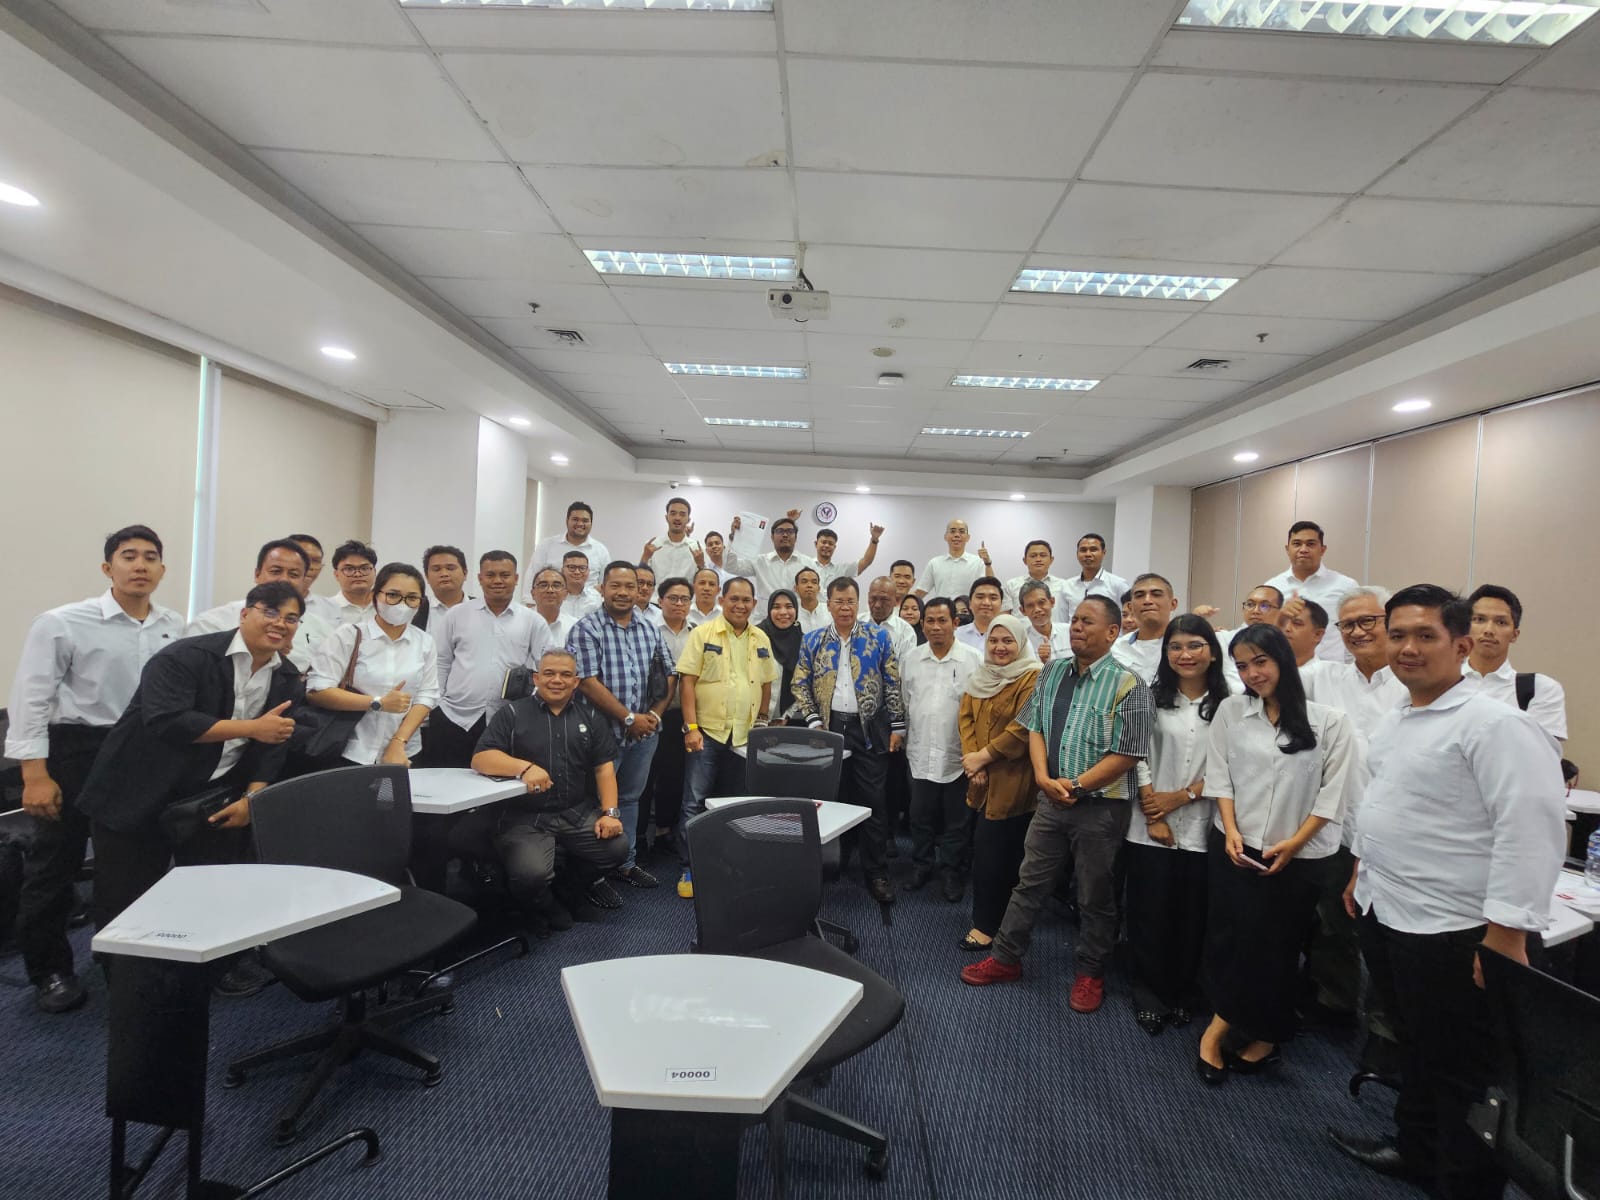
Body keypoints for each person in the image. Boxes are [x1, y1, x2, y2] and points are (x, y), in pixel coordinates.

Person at [1328, 585, 1566, 1198]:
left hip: (1456, 930)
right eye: (1398, 635)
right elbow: (1387, 804)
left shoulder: (1497, 725)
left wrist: (1506, 933)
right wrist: (1361, 871)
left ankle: (1462, 1184)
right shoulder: (1399, 717)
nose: (1407, 648)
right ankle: (1415, 1150)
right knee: (1415, 1048)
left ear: (1461, 645)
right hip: (1389, 911)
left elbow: (1530, 829)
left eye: (1425, 636)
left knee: (1467, 1072)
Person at [6, 525, 186, 1013]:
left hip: (143, 751)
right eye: (129, 556)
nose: (140, 565)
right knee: (56, 862)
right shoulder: (62, 622)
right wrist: (34, 774)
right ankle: (50, 970)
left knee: (131, 865)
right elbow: (31, 699)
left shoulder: (174, 624)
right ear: (108, 567)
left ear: (162, 569)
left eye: (150, 557)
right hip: (77, 750)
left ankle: (124, 959)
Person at [76, 582, 304, 935]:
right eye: (270, 612)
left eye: (291, 618)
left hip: (206, 798)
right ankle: (120, 967)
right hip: (136, 792)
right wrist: (253, 727)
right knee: (126, 903)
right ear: (244, 614)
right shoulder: (185, 656)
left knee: (207, 898)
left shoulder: (287, 676)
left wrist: (252, 799)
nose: (280, 623)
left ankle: (195, 964)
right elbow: (168, 720)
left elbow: (274, 744)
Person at [959, 597, 1151, 1015]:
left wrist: (1078, 785)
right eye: (1075, 619)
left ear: (1113, 632)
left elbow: (1129, 752)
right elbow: (1035, 726)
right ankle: (1006, 958)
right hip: (1051, 799)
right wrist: (1044, 778)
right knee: (1029, 883)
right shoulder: (1053, 671)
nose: (1077, 627)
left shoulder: (1129, 685)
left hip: (1100, 807)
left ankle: (1090, 972)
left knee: (1094, 893)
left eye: (1088, 621)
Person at [1195, 624, 1356, 1084]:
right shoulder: (1232, 710)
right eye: (1242, 666)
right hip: (1234, 845)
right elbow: (1220, 776)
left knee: (1276, 948)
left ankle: (1253, 1035)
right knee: (1230, 939)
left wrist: (1296, 842)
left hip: (1299, 857)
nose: (1252, 674)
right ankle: (1230, 1028)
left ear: (1283, 659)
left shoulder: (1330, 721)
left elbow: (1333, 794)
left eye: (1260, 662)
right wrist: (1229, 830)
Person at [463, 649, 627, 936]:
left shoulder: (591, 716)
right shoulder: (512, 713)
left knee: (618, 848)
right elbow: (481, 758)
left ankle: (567, 890)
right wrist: (524, 768)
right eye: (549, 673)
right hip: (524, 817)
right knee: (530, 874)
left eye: (565, 674)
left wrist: (610, 813)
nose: (557, 680)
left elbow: (604, 769)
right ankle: (544, 905)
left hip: (575, 813)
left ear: (576, 682)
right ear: (536, 678)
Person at [1302, 585, 1406, 1032]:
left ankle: (1390, 1029)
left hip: (1396, 834)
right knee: (1331, 923)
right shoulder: (1324, 678)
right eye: (1348, 625)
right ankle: (1335, 1002)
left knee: (1391, 933)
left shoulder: (1411, 682)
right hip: (1337, 825)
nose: (1358, 632)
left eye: (1369, 621)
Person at [1124, 616, 1232, 1035]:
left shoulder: (1231, 703)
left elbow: (1232, 764)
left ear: (1212, 652)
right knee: (1149, 910)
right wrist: (1155, 813)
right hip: (1148, 823)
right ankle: (1149, 993)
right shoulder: (1149, 698)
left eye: (1195, 645)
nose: (1185, 655)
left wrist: (1183, 797)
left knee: (1193, 915)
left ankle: (1184, 991)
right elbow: (1137, 755)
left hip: (1205, 824)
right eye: (1175, 647)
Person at [791, 577, 906, 904]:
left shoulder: (878, 637)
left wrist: (898, 727)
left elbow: (892, 682)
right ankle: (831, 861)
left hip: (869, 730)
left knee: (874, 801)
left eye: (850, 601)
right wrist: (813, 721)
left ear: (859, 603)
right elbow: (800, 683)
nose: (845, 608)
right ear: (828, 604)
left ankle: (876, 871)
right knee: (830, 799)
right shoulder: (813, 640)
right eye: (839, 601)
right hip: (828, 730)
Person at [568, 561, 674, 894]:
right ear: (602, 588)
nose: (624, 592)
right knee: (594, 802)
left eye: (631, 586)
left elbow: (669, 675)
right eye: (616, 585)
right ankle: (594, 874)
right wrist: (629, 718)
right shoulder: (586, 628)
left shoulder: (650, 628)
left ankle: (624, 863)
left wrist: (652, 716)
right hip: (601, 736)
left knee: (630, 798)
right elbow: (586, 681)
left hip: (644, 734)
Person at [674, 577, 777, 897]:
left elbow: (767, 682)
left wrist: (763, 719)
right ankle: (689, 867)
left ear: (754, 604)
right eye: (734, 599)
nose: (740, 605)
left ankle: (731, 864)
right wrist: (691, 728)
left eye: (746, 600)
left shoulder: (760, 637)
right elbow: (687, 682)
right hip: (706, 732)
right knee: (694, 802)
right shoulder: (703, 634)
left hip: (744, 737)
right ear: (722, 600)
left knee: (738, 804)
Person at [953, 613, 1041, 950]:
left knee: (1000, 856)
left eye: (1007, 641)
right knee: (986, 852)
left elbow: (1022, 729)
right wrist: (973, 759)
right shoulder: (982, 675)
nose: (1000, 647)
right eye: (993, 640)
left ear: (1021, 643)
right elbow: (966, 717)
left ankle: (990, 927)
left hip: (1013, 779)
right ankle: (990, 920)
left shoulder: (1032, 676)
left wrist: (984, 757)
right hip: (980, 777)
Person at [306, 562, 439, 767]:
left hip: (404, 751)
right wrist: (377, 702)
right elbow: (318, 690)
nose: (402, 604)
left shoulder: (425, 642)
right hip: (350, 749)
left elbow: (427, 696)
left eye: (412, 598)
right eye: (393, 595)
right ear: (375, 596)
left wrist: (398, 742)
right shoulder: (348, 635)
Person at [428, 552, 550, 769]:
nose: (497, 581)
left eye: (505, 575)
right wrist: (438, 703)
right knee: (449, 779)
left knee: (498, 782)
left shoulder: (533, 620)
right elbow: (442, 661)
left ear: (516, 578)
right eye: (490, 575)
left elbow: (545, 667)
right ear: (480, 578)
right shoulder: (456, 615)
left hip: (508, 719)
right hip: (455, 716)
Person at [901, 598, 983, 900]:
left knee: (957, 821)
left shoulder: (973, 659)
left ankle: (951, 871)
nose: (936, 627)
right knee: (919, 816)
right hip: (920, 751)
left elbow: (979, 709)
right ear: (922, 625)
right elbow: (906, 702)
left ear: (955, 623)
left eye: (942, 620)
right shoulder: (911, 658)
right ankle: (921, 865)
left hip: (958, 755)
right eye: (930, 621)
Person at [186, 539, 323, 669]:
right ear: (257, 574)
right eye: (275, 571)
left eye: (293, 575)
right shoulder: (211, 623)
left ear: (303, 580)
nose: (284, 579)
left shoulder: (320, 629)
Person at [1463, 583, 1567, 745]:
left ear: (1515, 635)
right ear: (1465, 628)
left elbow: (1539, 753)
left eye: (1501, 622)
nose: (1489, 630)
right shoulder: (1438, 684)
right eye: (1479, 619)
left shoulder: (1540, 689)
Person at [640, 576, 694, 860]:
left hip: (681, 716)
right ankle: (639, 837)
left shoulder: (697, 633)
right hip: (648, 714)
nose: (679, 604)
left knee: (673, 776)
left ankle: (663, 832)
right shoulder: (646, 630)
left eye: (684, 599)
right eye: (673, 598)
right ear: (660, 601)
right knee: (645, 776)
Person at [1264, 521, 1358, 663]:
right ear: (1287, 549)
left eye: (1310, 544)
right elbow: (1260, 631)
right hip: (1285, 669)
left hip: (1332, 669)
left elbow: (1355, 631)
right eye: (1297, 544)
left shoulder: (1346, 586)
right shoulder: (1272, 587)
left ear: (1323, 550)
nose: (1303, 549)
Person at [1197, 584, 1284, 690]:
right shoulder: (1223, 638)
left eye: (1265, 606)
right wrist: (1197, 619)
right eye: (1250, 604)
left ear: (1280, 612)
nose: (1255, 611)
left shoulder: (1287, 642)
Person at [724, 512, 816, 603]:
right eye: (780, 531)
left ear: (795, 538)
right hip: (765, 612)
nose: (785, 535)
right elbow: (731, 567)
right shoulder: (759, 561)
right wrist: (734, 538)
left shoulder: (808, 563)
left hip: (797, 612)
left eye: (790, 531)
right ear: (772, 537)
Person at [1112, 573, 1178, 685]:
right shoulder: (1116, 649)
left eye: (1156, 594)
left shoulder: (1184, 648)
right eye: (1139, 596)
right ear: (1130, 607)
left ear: (1173, 604)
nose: (1147, 601)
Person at [533, 500, 609, 592]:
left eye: (585, 521)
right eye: (575, 519)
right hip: (553, 599)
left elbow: (606, 585)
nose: (580, 524)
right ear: (567, 521)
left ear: (591, 523)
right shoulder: (547, 546)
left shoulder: (600, 550)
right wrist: (529, 600)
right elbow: (532, 578)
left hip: (590, 600)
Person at [1056, 533, 1130, 619]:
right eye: (1083, 550)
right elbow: (1062, 621)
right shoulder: (1067, 586)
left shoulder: (1118, 584)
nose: (1088, 554)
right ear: (1077, 554)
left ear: (1104, 553)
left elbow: (1127, 617)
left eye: (1093, 549)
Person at [915, 518, 991, 599]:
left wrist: (988, 563)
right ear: (945, 537)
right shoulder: (934, 563)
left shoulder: (978, 562)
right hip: (941, 607)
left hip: (967, 607)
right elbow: (920, 592)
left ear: (968, 537)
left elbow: (991, 587)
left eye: (962, 531)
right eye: (952, 531)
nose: (957, 535)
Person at [759, 588, 803, 724]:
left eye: (789, 606)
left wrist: (786, 716)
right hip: (753, 718)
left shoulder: (802, 640)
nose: (783, 612)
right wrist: (761, 717)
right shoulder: (756, 636)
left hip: (787, 720)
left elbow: (803, 684)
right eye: (776, 607)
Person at [1002, 540, 1073, 618]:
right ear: (1025, 560)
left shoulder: (1064, 585)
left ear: (1051, 560)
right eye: (1033, 556)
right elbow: (1004, 617)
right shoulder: (1011, 585)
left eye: (1043, 555)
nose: (1038, 559)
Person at [640, 497, 701, 585]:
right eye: (673, 513)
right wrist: (645, 557)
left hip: (686, 594)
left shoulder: (697, 549)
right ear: (666, 517)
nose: (677, 518)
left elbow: (704, 578)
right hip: (656, 594)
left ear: (688, 519)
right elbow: (640, 577)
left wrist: (701, 564)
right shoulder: (652, 545)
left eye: (682, 514)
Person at [1277, 594, 1331, 690]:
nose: (1287, 628)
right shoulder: (1263, 670)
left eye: (1297, 623)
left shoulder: (1326, 679)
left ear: (1317, 634)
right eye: (1284, 623)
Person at [813, 524, 884, 589]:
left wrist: (874, 540)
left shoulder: (841, 570)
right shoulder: (808, 564)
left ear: (834, 547)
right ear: (816, 544)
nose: (827, 546)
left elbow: (866, 561)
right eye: (824, 542)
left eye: (830, 544)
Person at [1017, 579, 1072, 662]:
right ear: (1023, 610)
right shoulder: (1022, 643)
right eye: (1030, 605)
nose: (1037, 609)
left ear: (1052, 602)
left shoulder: (1070, 632)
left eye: (1041, 602)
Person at [329, 539, 379, 625]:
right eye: (349, 569)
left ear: (374, 572)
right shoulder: (326, 610)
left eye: (364, 568)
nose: (357, 574)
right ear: (336, 575)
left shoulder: (386, 608)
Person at [955, 576, 1004, 653]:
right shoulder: (955, 636)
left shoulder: (1012, 636)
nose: (986, 603)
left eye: (993, 598)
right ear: (970, 603)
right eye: (980, 597)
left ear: (1001, 604)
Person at [528, 566, 573, 647]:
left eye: (556, 586)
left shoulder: (573, 626)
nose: (550, 590)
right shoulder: (520, 623)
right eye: (543, 585)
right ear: (533, 594)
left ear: (565, 594)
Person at [423, 545, 470, 610]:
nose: (444, 574)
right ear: (427, 577)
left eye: (450, 568)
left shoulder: (481, 608)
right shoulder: (416, 611)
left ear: (465, 574)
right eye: (437, 569)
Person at [559, 550, 601, 623]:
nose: (577, 572)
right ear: (562, 570)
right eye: (572, 567)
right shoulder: (555, 596)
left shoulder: (596, 597)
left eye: (582, 568)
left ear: (588, 571)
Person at [793, 566, 828, 633]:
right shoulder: (792, 613)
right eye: (804, 582)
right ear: (796, 588)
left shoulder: (830, 611)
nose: (809, 585)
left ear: (818, 588)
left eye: (814, 582)